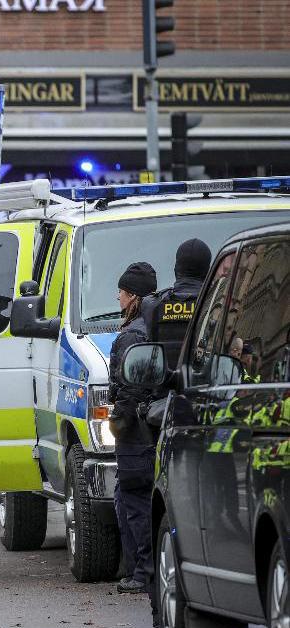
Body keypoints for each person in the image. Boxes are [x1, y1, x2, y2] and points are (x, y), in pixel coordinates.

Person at [108, 262, 158, 602]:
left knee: (133, 502)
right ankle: (140, 570)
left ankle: (142, 573)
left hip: (136, 434)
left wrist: (118, 421)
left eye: (122, 292)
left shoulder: (132, 335)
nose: (118, 297)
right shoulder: (159, 325)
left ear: (134, 297)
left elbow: (129, 386)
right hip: (155, 429)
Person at [141, 238, 211, 370]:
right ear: (208, 271)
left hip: (164, 387)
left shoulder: (151, 304)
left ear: (175, 270)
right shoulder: (215, 303)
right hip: (203, 386)